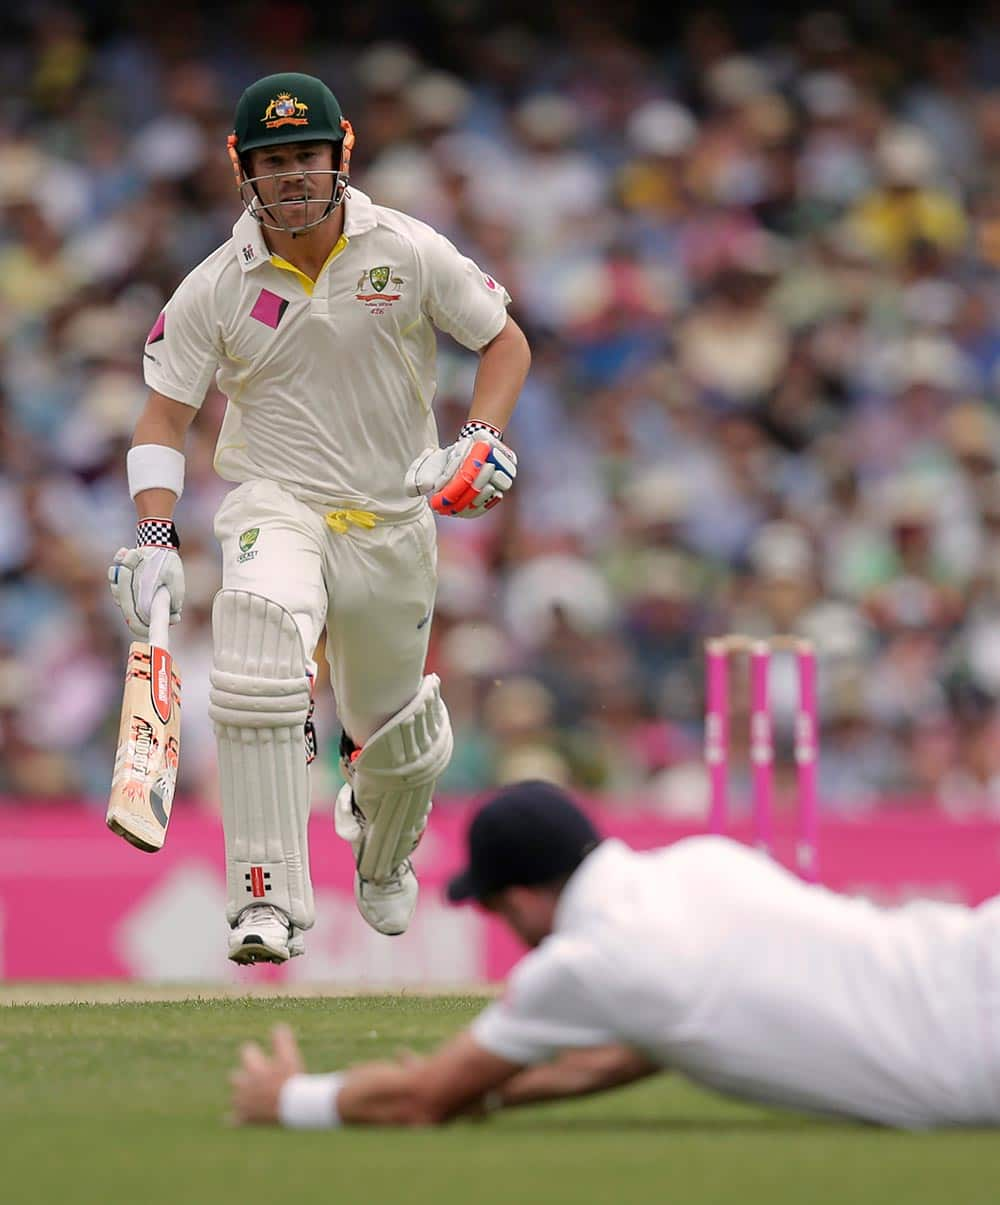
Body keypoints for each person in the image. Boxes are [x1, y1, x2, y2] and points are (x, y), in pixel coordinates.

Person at [107, 72, 530, 964]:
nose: (291, 177)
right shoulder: (216, 285)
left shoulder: (408, 251)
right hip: (276, 504)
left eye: (305, 156)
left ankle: (382, 849)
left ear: (342, 154)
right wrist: (152, 533)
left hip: (391, 516)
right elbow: (162, 414)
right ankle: (263, 898)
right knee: (259, 647)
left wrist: (481, 437)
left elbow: (503, 338)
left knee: (394, 739)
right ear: (241, 169)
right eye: (272, 162)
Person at [230, 780, 1000, 1130]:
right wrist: (504, 1093)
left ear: (525, 897)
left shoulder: (588, 961)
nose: (508, 927)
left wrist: (294, 1100)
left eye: (498, 909)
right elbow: (650, 1046)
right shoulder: (704, 861)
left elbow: (416, 1100)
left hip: (972, 1063)